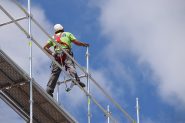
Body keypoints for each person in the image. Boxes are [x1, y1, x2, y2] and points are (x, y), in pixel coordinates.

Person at [44, 24, 89, 97]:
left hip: (57, 55)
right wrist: (84, 44)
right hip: (66, 52)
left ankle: (49, 89)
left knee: (55, 72)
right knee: (70, 66)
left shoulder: (52, 37)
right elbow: (76, 42)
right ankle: (75, 80)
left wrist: (52, 54)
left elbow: (45, 47)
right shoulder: (67, 34)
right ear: (62, 28)